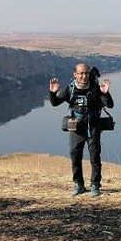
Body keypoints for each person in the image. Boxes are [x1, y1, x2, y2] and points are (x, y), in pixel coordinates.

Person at [49, 63, 113, 197]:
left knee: (95, 157)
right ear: (75, 74)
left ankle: (95, 185)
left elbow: (110, 105)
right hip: (76, 127)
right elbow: (55, 103)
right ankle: (78, 184)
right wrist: (53, 93)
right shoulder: (70, 89)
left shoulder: (95, 88)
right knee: (75, 156)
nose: (84, 76)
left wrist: (105, 93)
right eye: (81, 73)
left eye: (87, 73)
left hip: (93, 126)